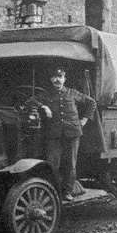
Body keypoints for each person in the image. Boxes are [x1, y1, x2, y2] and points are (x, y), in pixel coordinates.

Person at [35, 67, 96, 201]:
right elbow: (31, 101)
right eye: (55, 77)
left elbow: (91, 103)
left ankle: (67, 192)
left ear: (64, 79)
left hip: (73, 134)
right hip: (54, 134)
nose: (58, 80)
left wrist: (84, 120)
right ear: (51, 79)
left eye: (60, 77)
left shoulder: (72, 93)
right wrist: (43, 107)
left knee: (70, 165)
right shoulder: (46, 95)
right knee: (52, 164)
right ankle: (53, 191)